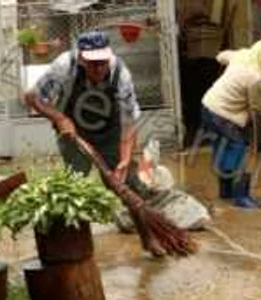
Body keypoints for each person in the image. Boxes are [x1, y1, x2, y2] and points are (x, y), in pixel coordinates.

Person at [23, 30, 162, 252]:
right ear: (80, 58)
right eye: (92, 63)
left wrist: (125, 159)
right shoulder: (64, 67)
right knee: (75, 189)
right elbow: (31, 97)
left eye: (102, 62)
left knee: (129, 185)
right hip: (73, 132)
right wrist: (59, 118)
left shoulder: (120, 73)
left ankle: (148, 236)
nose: (98, 68)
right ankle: (76, 243)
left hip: (109, 133)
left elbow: (128, 123)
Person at [200, 38, 261, 210]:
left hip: (207, 106)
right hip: (223, 114)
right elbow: (256, 106)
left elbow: (221, 56)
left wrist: (230, 62)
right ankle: (241, 197)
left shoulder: (243, 55)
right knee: (239, 150)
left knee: (222, 147)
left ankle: (226, 191)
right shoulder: (256, 78)